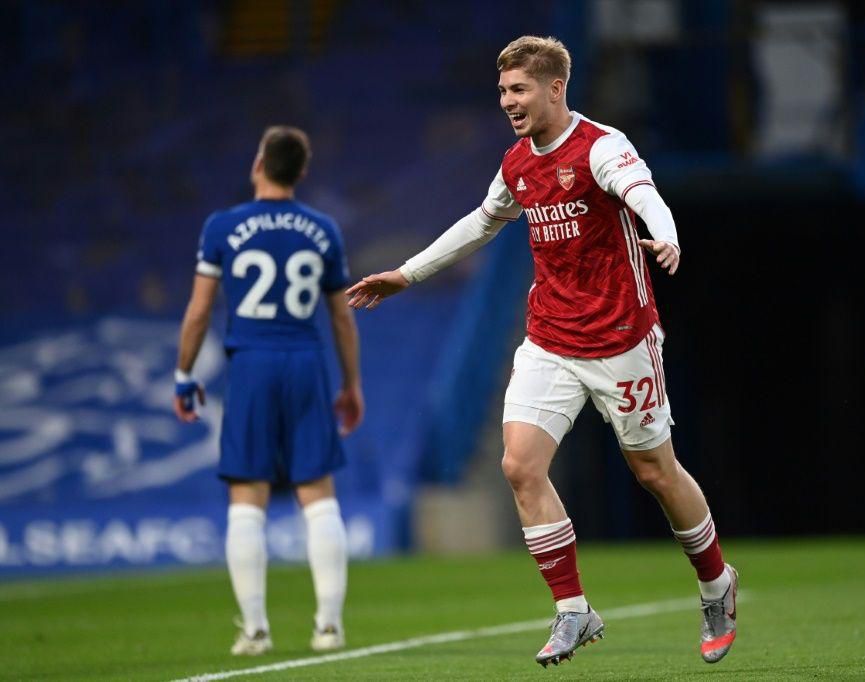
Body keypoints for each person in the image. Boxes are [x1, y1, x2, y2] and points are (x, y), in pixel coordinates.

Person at [346, 36, 737, 666]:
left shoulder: (602, 148)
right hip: (550, 339)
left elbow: (645, 197)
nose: (508, 101)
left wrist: (664, 236)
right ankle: (573, 612)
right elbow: (483, 219)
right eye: (503, 91)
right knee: (519, 466)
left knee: (654, 472)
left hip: (621, 340)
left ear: (556, 87)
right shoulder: (518, 163)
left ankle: (717, 585)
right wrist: (408, 274)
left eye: (519, 89)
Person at [173, 126, 364, 656]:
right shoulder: (323, 229)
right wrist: (350, 384)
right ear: (300, 173)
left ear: (260, 163)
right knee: (317, 495)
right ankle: (329, 626)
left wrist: (184, 375)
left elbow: (199, 310)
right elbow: (342, 319)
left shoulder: (223, 226)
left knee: (247, 497)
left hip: (252, 363)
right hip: (305, 361)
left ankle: (255, 630)